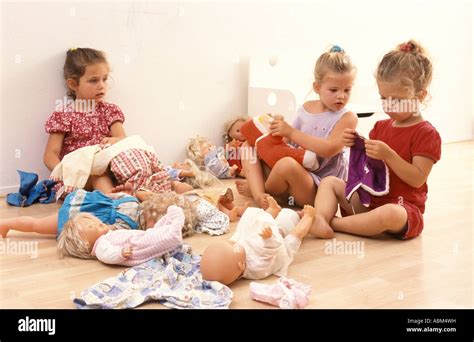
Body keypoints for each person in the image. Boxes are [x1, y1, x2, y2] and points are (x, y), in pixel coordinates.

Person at [310, 40, 441, 240]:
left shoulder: (426, 133)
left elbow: (417, 178)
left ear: (420, 96)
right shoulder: (381, 127)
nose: (388, 106)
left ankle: (334, 223)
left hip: (402, 209)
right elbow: (369, 168)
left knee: (390, 213)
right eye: (384, 98)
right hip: (371, 200)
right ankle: (320, 219)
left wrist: (388, 154)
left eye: (396, 100)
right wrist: (356, 145)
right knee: (329, 182)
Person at [236, 45, 358, 211]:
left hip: (316, 189)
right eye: (334, 90)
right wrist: (276, 131)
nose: (341, 96)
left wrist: (291, 132)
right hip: (291, 175)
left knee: (287, 164)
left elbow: (329, 149)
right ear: (317, 87)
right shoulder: (306, 108)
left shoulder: (347, 117)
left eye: (347, 90)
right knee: (248, 146)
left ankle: (263, 189)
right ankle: (260, 195)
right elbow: (286, 143)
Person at [44, 47, 126, 193]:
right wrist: (66, 173)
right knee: (98, 176)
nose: (101, 85)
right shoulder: (64, 115)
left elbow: (123, 139)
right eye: (93, 80)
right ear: (73, 84)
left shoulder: (109, 111)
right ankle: (112, 202)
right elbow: (50, 155)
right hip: (77, 176)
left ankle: (120, 195)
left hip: (107, 169)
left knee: (125, 167)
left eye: (104, 79)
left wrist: (116, 140)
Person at [200, 197, 316, 285]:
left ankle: (273, 210)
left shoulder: (238, 253)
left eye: (228, 243)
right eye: (232, 245)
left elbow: (243, 235)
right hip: (277, 250)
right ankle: (308, 217)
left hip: (261, 240)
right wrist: (269, 239)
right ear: (241, 265)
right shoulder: (257, 268)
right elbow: (270, 251)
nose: (233, 242)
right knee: (295, 236)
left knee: (254, 223)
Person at [0, 185, 146, 239]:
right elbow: (109, 234)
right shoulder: (130, 223)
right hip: (78, 219)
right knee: (36, 225)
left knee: (36, 224)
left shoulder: (131, 200)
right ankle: (5, 224)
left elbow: (106, 196)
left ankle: (5, 223)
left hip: (82, 204)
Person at [57, 205, 184, 266]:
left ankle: (169, 224)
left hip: (139, 238)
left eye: (95, 221)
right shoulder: (101, 247)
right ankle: (172, 232)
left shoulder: (106, 236)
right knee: (152, 239)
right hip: (135, 247)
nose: (98, 223)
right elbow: (107, 256)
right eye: (91, 226)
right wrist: (120, 254)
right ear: (85, 243)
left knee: (154, 233)